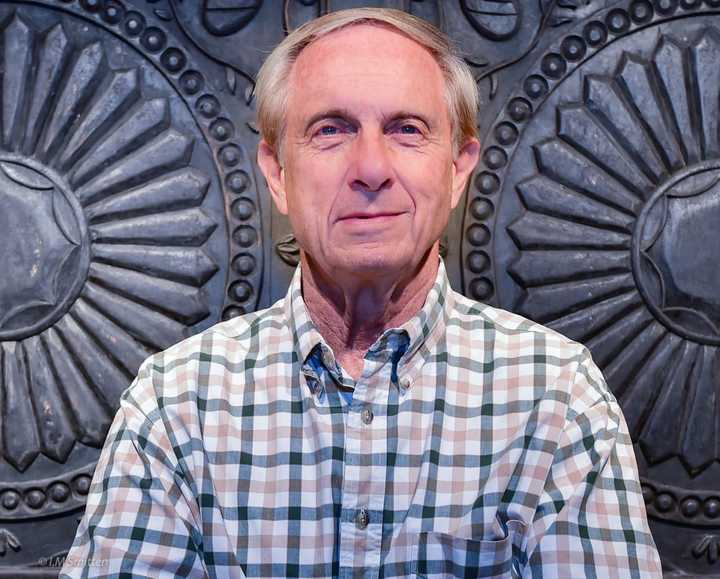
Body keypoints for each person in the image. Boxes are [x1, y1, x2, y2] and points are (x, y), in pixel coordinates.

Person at [61, 7, 662, 578]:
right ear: (276, 174)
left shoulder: (557, 399)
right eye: (331, 129)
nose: (370, 167)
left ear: (457, 170)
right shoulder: (175, 404)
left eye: (406, 129)